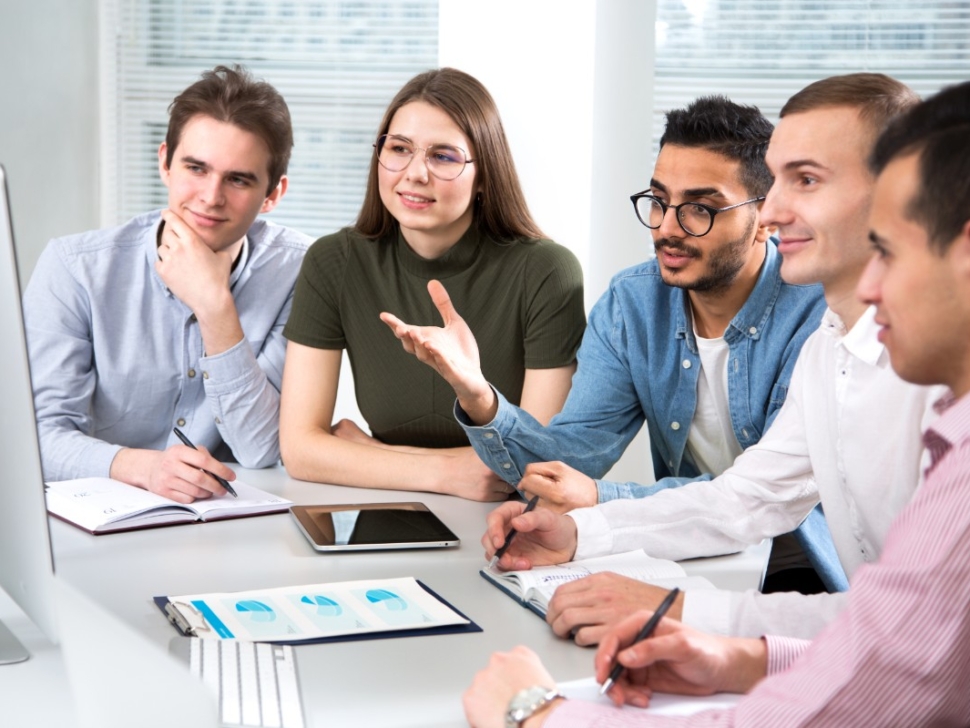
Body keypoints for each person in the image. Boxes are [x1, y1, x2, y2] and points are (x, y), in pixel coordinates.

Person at [462, 77, 970, 728]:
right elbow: (748, 504)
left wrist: (538, 713)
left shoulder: (929, 383)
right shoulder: (831, 346)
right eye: (777, 181)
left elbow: (901, 652)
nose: (775, 210)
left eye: (805, 181)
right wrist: (585, 535)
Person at [382, 95, 835, 582]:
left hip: (803, 572)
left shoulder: (820, 314)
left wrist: (601, 499)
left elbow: (756, 499)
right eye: (659, 201)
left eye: (700, 210)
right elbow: (570, 460)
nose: (666, 228)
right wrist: (478, 395)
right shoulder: (633, 303)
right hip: (689, 559)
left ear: (766, 216)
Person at [278, 68, 585, 502]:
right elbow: (301, 450)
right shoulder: (335, 262)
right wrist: (445, 472)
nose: (415, 173)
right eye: (399, 148)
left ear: (485, 174)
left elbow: (538, 465)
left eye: (443, 156)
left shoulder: (547, 272)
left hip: (507, 522)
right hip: (387, 510)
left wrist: (370, 452)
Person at [23, 65, 307, 504]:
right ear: (164, 163)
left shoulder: (300, 274)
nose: (211, 197)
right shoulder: (74, 269)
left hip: (234, 529)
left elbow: (261, 447)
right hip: (98, 520)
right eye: (196, 168)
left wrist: (215, 307)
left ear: (273, 193)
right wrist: (141, 467)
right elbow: (35, 439)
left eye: (238, 179)